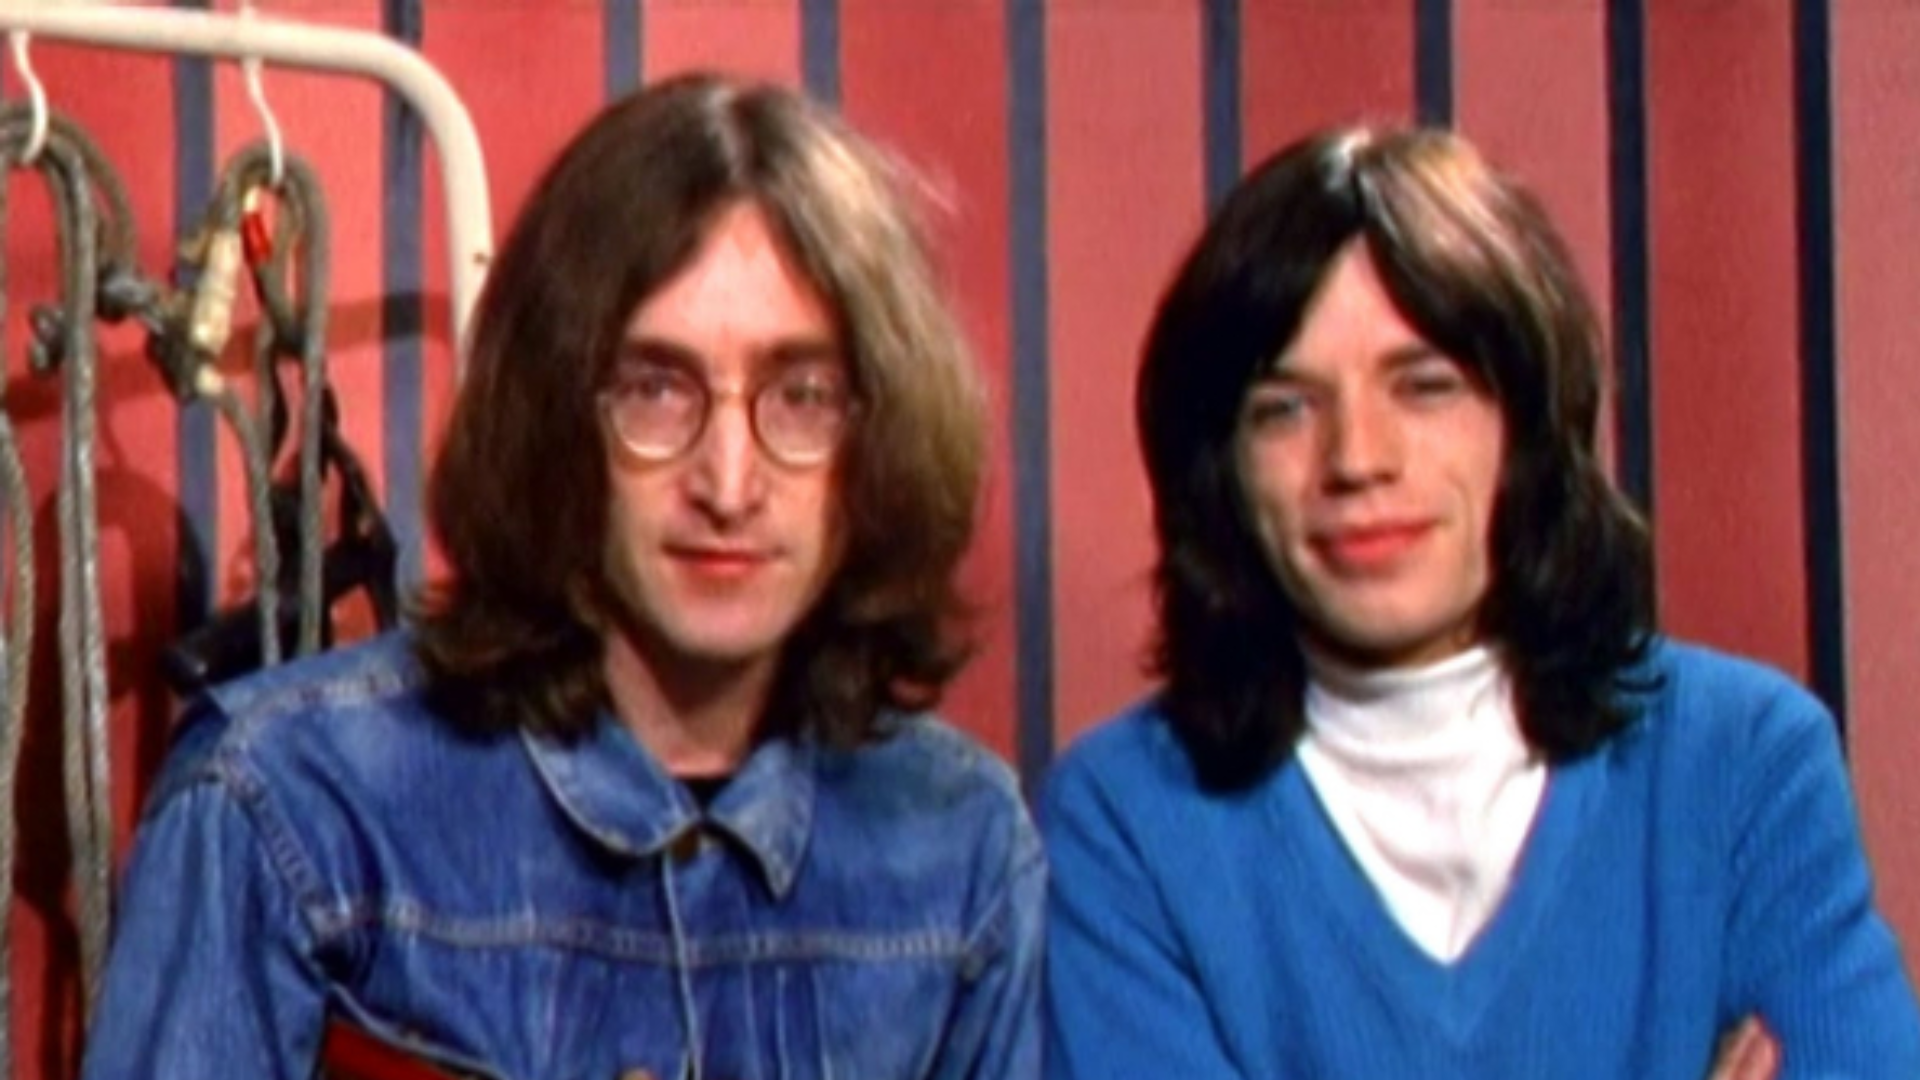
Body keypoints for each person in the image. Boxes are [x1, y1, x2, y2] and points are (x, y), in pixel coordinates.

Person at [82, 73, 1041, 1080]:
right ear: (556, 416)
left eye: (801, 396)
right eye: (656, 388)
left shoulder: (962, 850)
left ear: (875, 439)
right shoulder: (290, 806)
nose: (728, 483)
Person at [1042, 125, 1920, 1078]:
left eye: (1425, 388)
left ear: (1527, 429)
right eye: (1285, 409)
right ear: (1222, 471)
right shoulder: (1125, 820)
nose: (1358, 459)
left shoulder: (1744, 764)